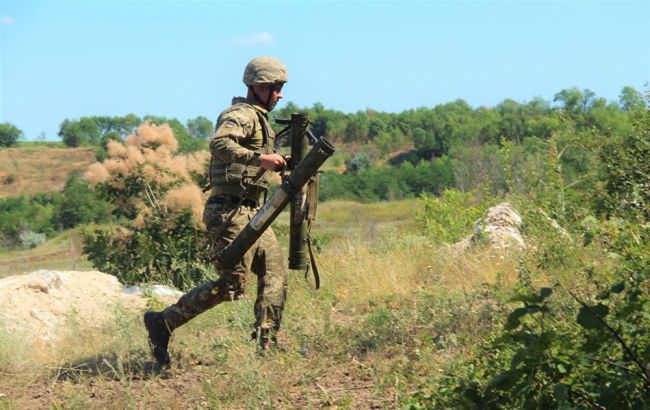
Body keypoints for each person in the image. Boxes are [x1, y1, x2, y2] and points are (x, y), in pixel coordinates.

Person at [144, 56, 290, 366]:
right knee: (231, 285)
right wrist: (259, 159)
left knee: (275, 274)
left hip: (254, 212)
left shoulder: (262, 120)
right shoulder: (240, 114)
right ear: (259, 87)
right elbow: (220, 144)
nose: (280, 95)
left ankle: (267, 346)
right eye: (276, 88)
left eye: (280, 88)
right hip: (230, 212)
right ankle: (163, 323)